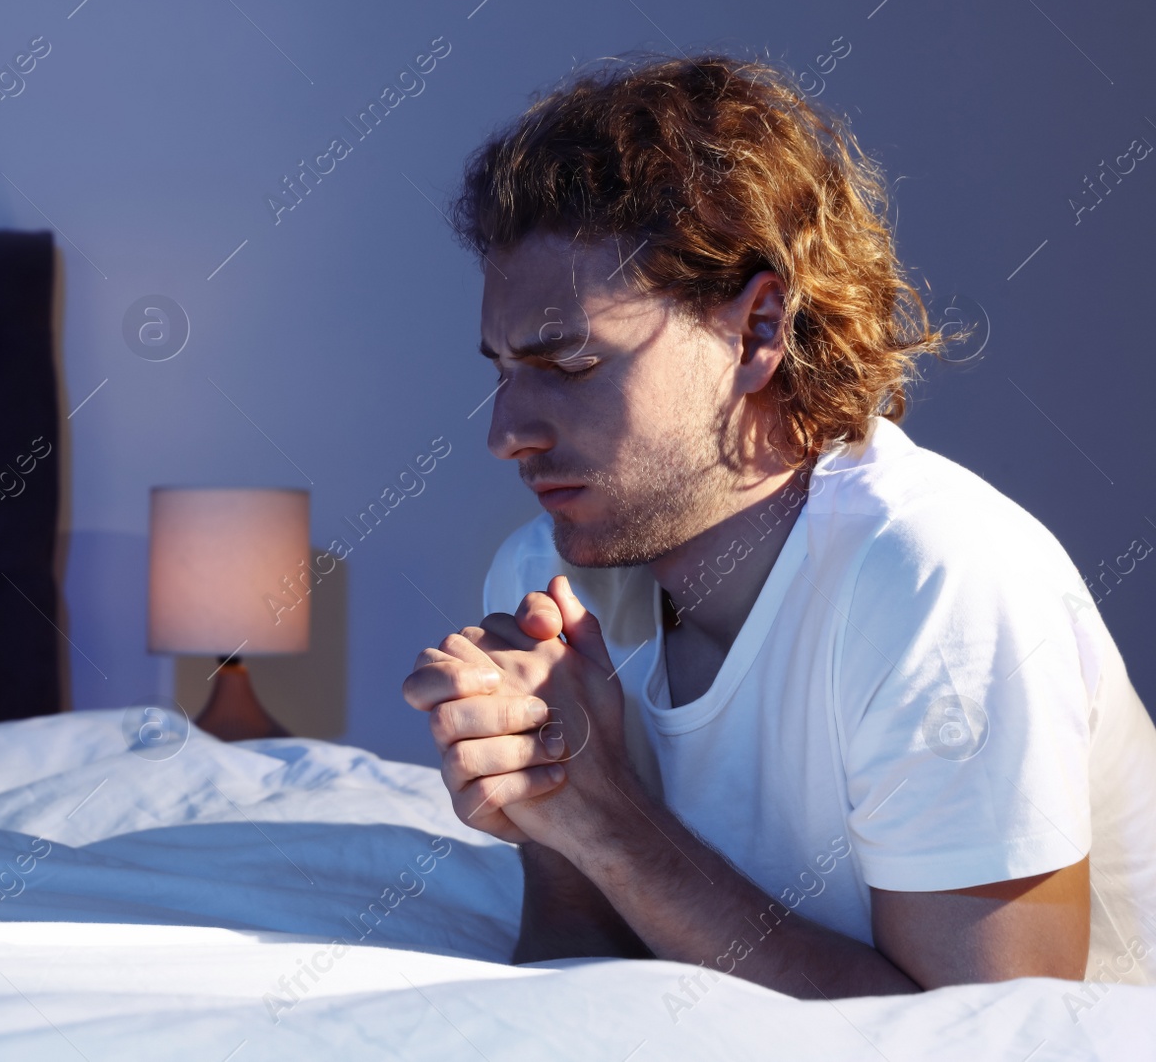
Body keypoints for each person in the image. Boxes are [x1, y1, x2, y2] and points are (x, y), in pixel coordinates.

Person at [401, 53, 1156, 999]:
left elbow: (991, 1043)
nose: (506, 433)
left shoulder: (939, 579)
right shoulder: (554, 578)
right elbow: (575, 988)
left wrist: (607, 820)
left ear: (758, 331)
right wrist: (552, 798)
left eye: (573, 366)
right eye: (504, 371)